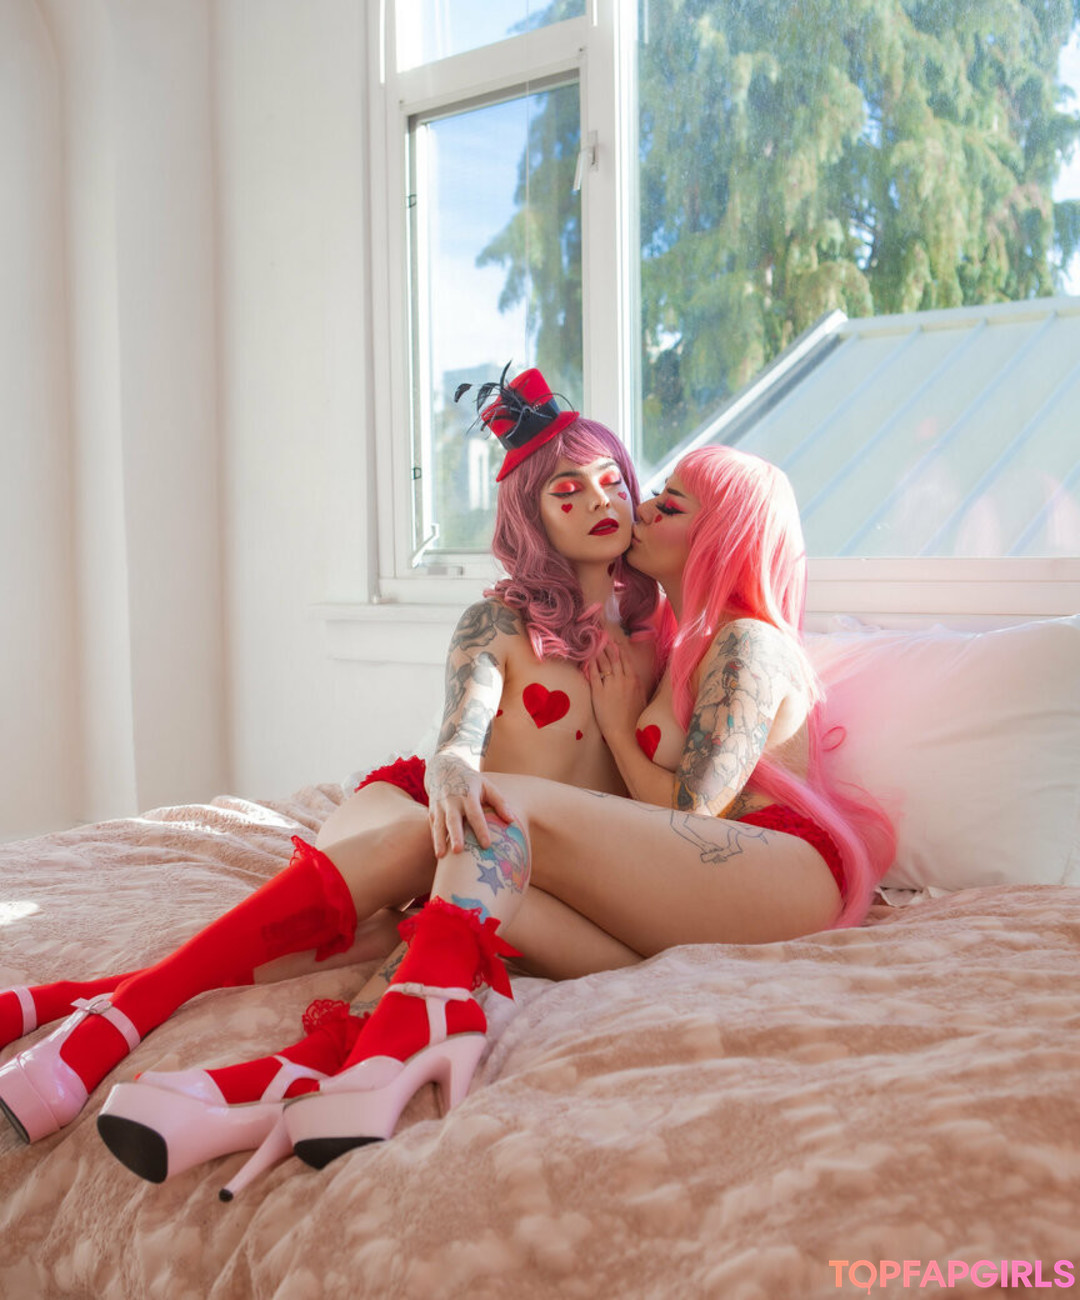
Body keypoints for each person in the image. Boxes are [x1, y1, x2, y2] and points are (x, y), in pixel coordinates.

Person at [0, 366, 662, 1194]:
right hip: (445, 816)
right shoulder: (497, 622)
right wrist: (452, 769)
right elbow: (459, 732)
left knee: (402, 929)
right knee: (432, 862)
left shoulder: (654, 640)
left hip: (523, 863)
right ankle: (130, 1019)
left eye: (613, 481)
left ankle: (91, 1005)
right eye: (570, 490)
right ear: (532, 515)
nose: (602, 501)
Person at [278, 440, 896, 1170]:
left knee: (502, 815)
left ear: (717, 535)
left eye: (669, 504)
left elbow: (692, 819)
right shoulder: (670, 644)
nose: (639, 507)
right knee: (495, 900)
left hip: (773, 870)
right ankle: (335, 1059)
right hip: (701, 891)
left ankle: (369, 1050)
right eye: (651, 492)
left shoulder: (746, 644)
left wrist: (618, 728)